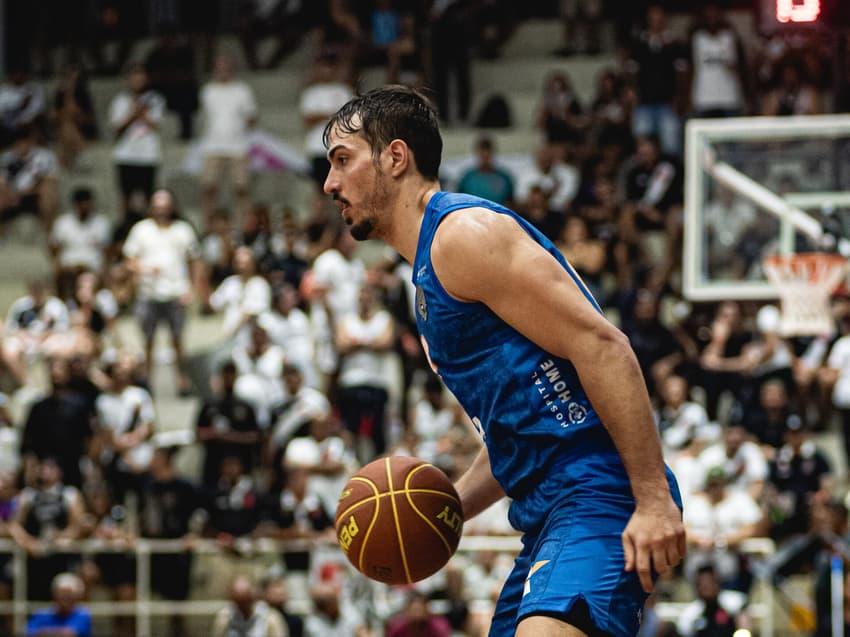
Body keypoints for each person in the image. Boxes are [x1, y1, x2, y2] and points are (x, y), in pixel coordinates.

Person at [322, 86, 684, 637]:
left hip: (596, 490)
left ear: (395, 157)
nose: (329, 184)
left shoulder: (461, 237)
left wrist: (653, 500)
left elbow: (604, 346)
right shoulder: (425, 276)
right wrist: (435, 513)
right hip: (546, 512)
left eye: (343, 160)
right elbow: (515, 430)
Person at [122, 189, 201, 393]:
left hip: (175, 292)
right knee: (148, 340)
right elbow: (129, 261)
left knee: (178, 340)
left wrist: (191, 288)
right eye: (157, 207)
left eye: (165, 207)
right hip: (149, 293)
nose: (161, 211)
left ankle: (182, 380)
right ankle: (147, 380)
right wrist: (146, 269)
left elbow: (194, 261)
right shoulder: (141, 230)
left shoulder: (183, 230)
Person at [199, 54, 257, 223]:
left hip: (238, 147)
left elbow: (252, 117)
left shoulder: (242, 90)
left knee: (241, 188)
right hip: (212, 146)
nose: (222, 70)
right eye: (219, 66)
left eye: (226, 66)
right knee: (208, 187)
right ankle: (209, 226)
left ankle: (242, 225)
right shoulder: (207, 91)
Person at [108, 64, 165, 215]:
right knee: (125, 197)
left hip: (148, 156)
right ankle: (126, 227)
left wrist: (142, 113)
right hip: (125, 156)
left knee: (148, 197)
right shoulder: (119, 101)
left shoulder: (156, 99)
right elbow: (116, 129)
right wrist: (133, 113)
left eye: (140, 78)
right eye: (134, 78)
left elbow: (156, 125)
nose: (137, 82)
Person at [211, 575, 287, 637]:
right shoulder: (224, 618)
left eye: (245, 601)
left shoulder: (271, 618)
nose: (242, 607)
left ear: (253, 597)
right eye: (239, 602)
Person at [25, 572, 91, 637]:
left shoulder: (82, 614)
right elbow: (30, 632)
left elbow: (71, 634)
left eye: (69, 594)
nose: (65, 598)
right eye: (61, 593)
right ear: (54, 594)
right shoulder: (41, 614)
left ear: (76, 596)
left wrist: (44, 632)